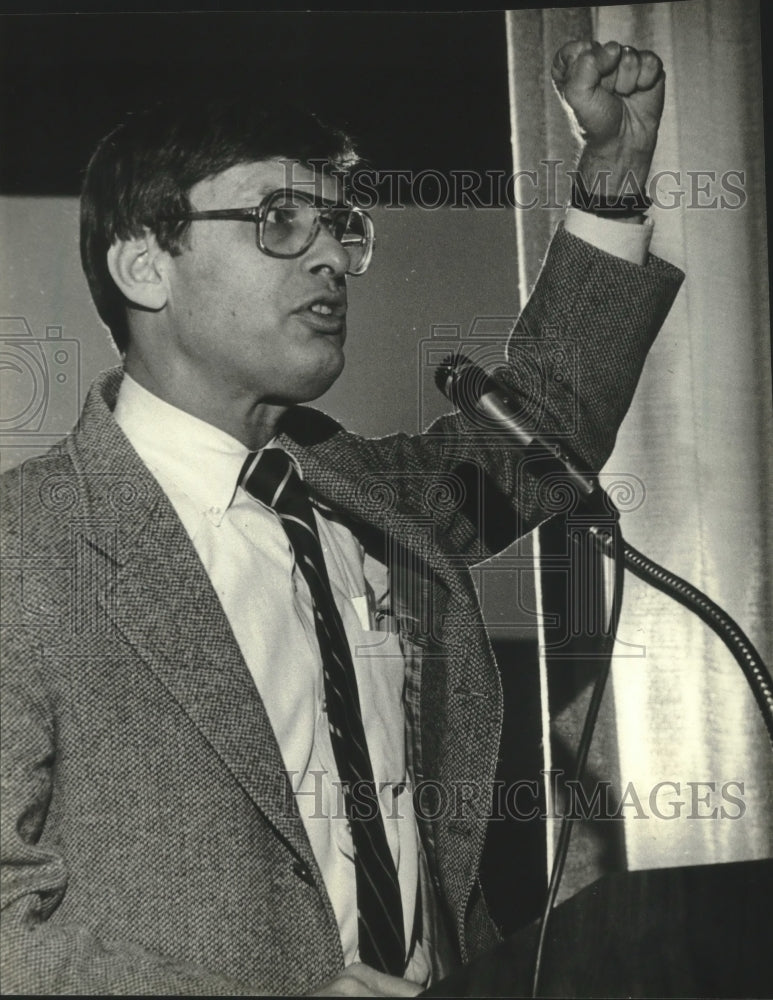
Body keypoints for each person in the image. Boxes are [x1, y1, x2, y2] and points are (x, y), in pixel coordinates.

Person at [0, 39, 683, 996]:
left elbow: (542, 439)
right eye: (278, 220)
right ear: (145, 266)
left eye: (338, 226)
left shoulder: (363, 505)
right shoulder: (24, 551)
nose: (331, 257)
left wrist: (612, 174)